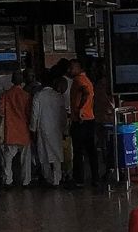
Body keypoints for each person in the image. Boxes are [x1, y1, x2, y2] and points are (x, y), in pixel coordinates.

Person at [0, 70, 33, 187]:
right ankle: (26, 181)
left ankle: (8, 180)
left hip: (10, 130)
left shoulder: (6, 95)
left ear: (12, 80)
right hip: (24, 131)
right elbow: (29, 113)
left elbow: (1, 112)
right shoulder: (26, 96)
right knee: (25, 159)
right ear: (22, 81)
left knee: (8, 157)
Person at [31, 74, 67, 186]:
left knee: (44, 155)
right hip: (56, 129)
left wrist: (33, 128)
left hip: (43, 128)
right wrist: (64, 129)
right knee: (57, 154)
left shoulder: (38, 96)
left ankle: (48, 178)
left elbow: (34, 114)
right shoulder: (59, 96)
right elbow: (63, 116)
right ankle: (57, 179)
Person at [68, 60, 100, 188]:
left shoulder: (78, 80)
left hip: (81, 120)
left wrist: (80, 110)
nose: (69, 71)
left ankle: (78, 180)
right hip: (89, 119)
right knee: (91, 151)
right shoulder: (86, 79)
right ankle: (95, 178)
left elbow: (87, 93)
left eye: (71, 68)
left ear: (78, 68)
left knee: (78, 151)